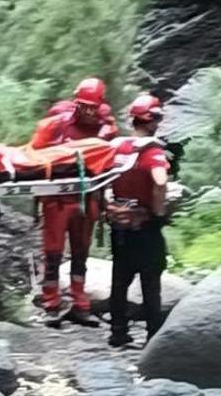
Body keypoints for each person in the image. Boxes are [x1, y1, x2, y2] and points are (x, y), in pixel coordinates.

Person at [28, 78, 119, 325]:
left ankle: (80, 302)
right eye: (83, 106)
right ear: (76, 104)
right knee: (53, 251)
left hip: (87, 197)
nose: (88, 111)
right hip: (57, 198)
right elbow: (34, 157)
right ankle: (51, 303)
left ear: (100, 105)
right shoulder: (57, 125)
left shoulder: (106, 128)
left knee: (81, 251)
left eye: (92, 107)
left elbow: (108, 162)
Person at [107, 94, 170, 347]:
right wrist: (158, 210)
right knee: (150, 282)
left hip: (120, 223)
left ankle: (118, 332)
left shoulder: (118, 148)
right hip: (145, 224)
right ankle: (153, 335)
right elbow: (160, 181)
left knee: (120, 280)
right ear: (152, 119)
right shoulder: (152, 150)